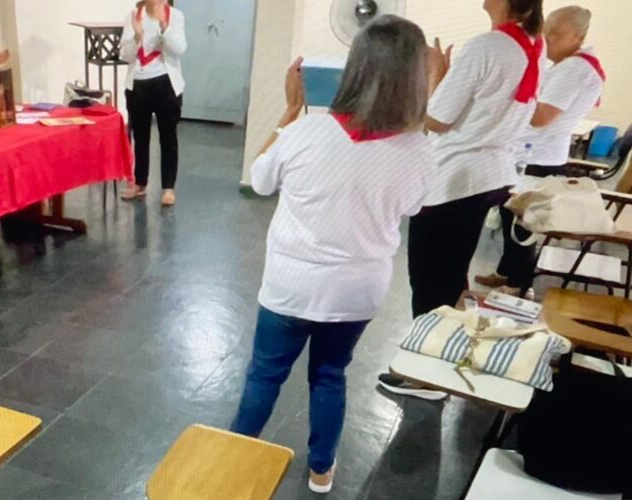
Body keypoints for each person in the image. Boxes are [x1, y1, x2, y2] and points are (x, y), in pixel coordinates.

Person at [230, 16, 433, 494]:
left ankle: (235, 458)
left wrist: (288, 112)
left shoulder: (306, 134)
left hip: (290, 285)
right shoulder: (419, 150)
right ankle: (322, 470)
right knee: (329, 376)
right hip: (357, 290)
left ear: (355, 67)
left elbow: (259, 181)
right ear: (416, 78)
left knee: (264, 375)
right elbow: (414, 205)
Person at [382, 0, 546, 399]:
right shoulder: (530, 44)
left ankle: (426, 374)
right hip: (489, 172)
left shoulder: (487, 45)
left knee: (429, 276)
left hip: (455, 176)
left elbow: (436, 119)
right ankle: (447, 352)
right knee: (452, 270)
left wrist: (436, 73)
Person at [475, 6, 605, 297]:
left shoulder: (576, 68)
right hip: (530, 154)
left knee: (522, 225)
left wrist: (507, 100)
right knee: (510, 217)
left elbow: (541, 117)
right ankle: (506, 272)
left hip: (537, 158)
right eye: (547, 31)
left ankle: (517, 286)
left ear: (579, 36)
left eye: (557, 34)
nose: (548, 39)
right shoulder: (567, 64)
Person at [118, 0, 186, 206]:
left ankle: (168, 187)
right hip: (138, 84)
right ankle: (140, 183)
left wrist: (165, 26)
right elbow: (125, 55)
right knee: (140, 136)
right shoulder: (133, 16)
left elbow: (179, 49)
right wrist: (137, 37)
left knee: (168, 137)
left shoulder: (175, 15)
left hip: (166, 82)